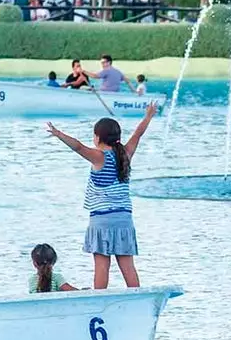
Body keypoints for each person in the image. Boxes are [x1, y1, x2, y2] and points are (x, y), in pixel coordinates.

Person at [46, 102, 158, 289]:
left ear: (97, 137)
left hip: (102, 219)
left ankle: (99, 301)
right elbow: (138, 134)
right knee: (128, 266)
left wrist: (59, 135)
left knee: (101, 266)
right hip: (124, 218)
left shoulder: (99, 157)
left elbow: (79, 147)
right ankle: (137, 296)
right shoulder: (126, 154)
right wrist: (148, 116)